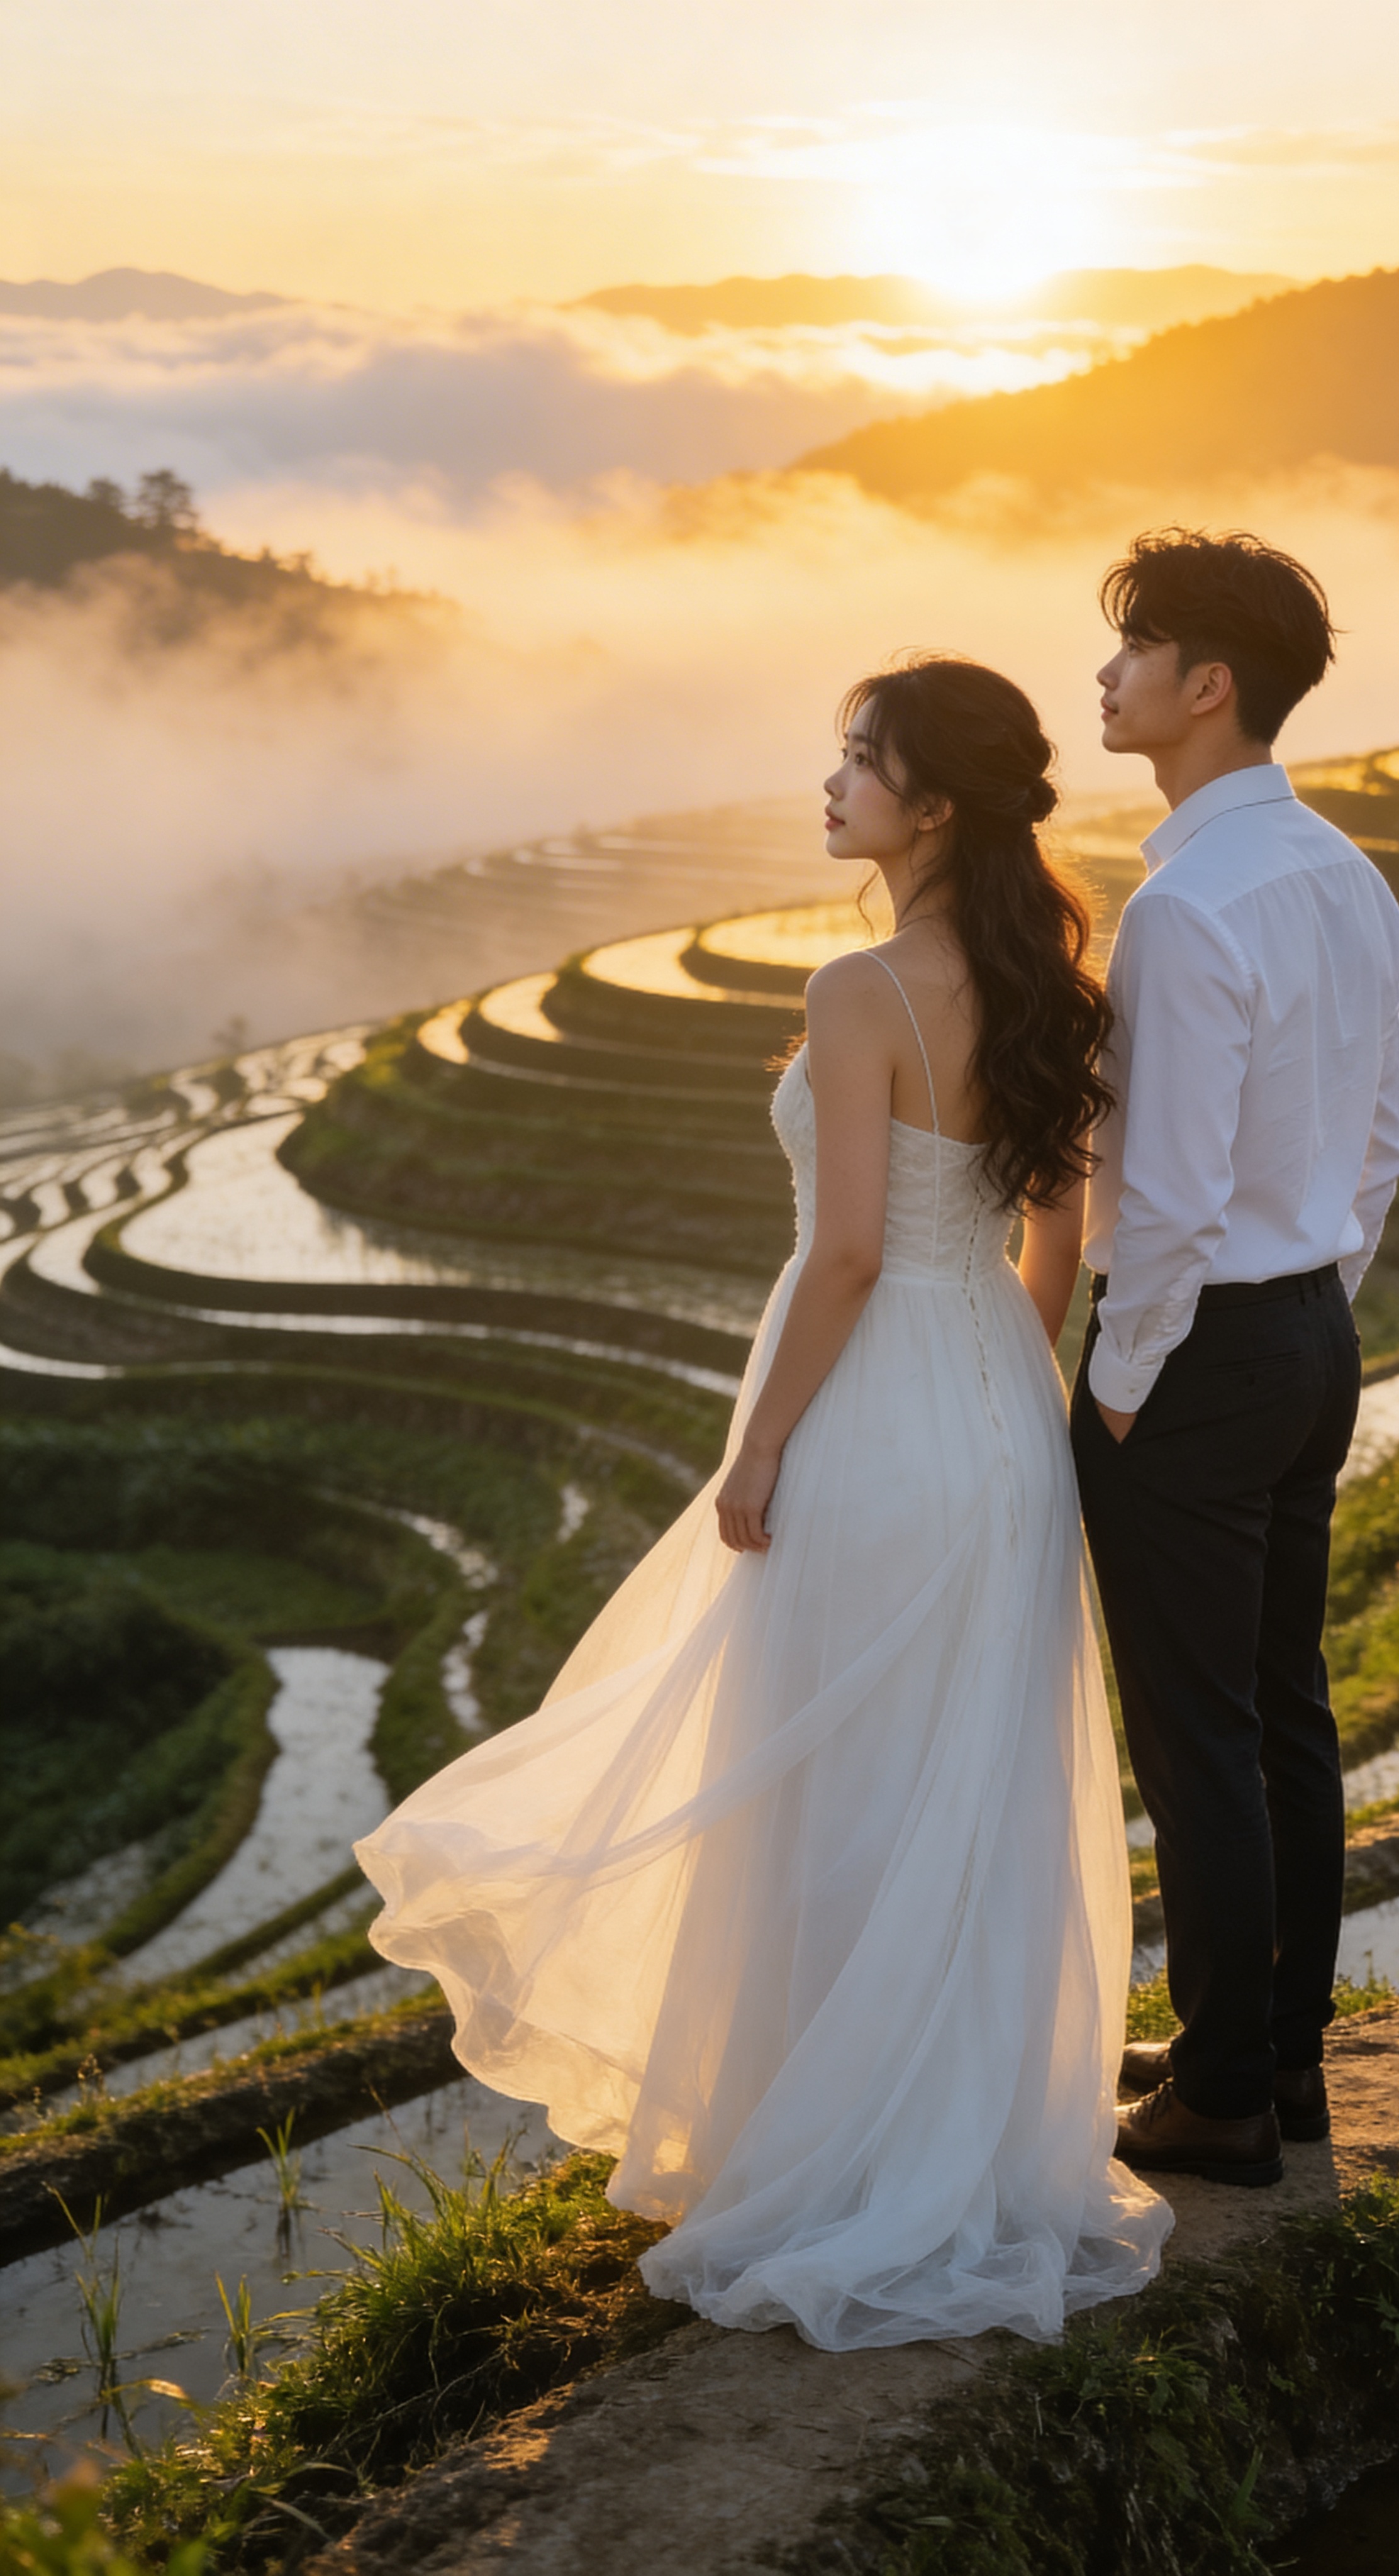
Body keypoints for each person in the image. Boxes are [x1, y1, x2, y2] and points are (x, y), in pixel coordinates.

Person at [355, 655, 1171, 2351]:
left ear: (929, 805)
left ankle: (826, 2149)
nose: (830, 791)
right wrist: (992, 1392)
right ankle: (955, 2138)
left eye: (855, 766)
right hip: (994, 1411)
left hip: (872, 1403)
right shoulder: (1053, 983)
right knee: (961, 1779)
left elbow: (853, 1250)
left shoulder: (864, 986)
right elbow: (1055, 1246)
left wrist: (758, 1447)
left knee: (830, 1771)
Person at [1072, 529, 1399, 2188]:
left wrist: (1126, 1379)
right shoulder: (1348, 875)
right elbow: (1382, 1151)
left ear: (1208, 688)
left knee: (1195, 1731)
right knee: (1285, 1711)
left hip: (1200, 1354)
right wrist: (1310, 1303)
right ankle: (1280, 2065)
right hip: (1310, 1331)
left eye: (1133, 652)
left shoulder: (1184, 909)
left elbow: (1170, 1196)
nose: (1107, 678)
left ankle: (1215, 2097)